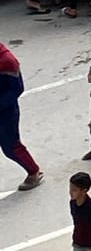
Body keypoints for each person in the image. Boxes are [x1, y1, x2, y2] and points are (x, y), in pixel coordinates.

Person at [0, 42, 44, 191]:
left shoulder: (7, 61)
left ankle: (33, 172)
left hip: (5, 113)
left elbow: (17, 89)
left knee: (11, 147)